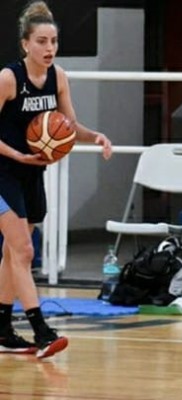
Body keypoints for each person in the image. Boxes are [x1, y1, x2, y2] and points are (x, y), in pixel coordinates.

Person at [0, 1, 113, 359]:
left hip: (32, 172)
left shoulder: (58, 77)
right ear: (25, 45)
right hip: (3, 170)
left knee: (11, 253)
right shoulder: (8, 79)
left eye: (54, 41)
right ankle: (41, 329)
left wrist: (94, 135)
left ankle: (2, 328)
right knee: (24, 251)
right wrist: (16, 154)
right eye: (42, 41)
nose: (49, 48)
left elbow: (69, 125)